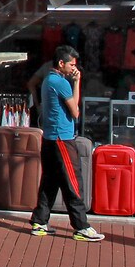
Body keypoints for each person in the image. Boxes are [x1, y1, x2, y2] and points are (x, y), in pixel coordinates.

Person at [30, 45, 103, 241]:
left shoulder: (47, 80)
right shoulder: (60, 83)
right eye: (71, 64)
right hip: (63, 139)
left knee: (50, 182)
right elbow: (75, 111)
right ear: (61, 63)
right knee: (72, 182)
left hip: (49, 138)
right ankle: (81, 226)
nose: (74, 68)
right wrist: (77, 82)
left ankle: (40, 221)